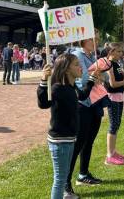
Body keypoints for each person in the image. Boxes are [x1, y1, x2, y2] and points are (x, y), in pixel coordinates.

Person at [37, 54, 98, 199]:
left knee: (63, 177)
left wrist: (91, 80)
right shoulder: (57, 88)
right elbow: (43, 103)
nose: (80, 67)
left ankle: (66, 195)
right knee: (59, 179)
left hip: (70, 138)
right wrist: (44, 80)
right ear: (66, 69)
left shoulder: (72, 86)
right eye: (76, 64)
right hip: (60, 141)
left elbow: (83, 96)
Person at [65, 39, 106, 194]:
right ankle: (66, 182)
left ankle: (83, 174)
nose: (97, 40)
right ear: (83, 40)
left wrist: (99, 76)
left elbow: (104, 79)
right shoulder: (77, 55)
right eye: (93, 37)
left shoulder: (92, 56)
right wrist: (93, 76)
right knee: (77, 145)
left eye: (97, 36)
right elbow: (79, 80)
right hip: (83, 104)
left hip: (94, 102)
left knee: (89, 141)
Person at [104, 43, 124, 165]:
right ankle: (109, 156)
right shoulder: (108, 65)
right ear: (111, 52)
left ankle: (113, 152)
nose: (121, 54)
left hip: (119, 97)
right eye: (118, 51)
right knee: (113, 125)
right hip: (112, 98)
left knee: (117, 124)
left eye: (121, 51)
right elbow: (113, 84)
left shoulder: (117, 64)